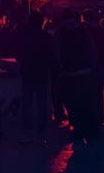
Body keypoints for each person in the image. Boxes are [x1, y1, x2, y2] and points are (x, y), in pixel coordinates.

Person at [55, 9, 98, 141]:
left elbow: (57, 54)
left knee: (74, 105)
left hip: (69, 74)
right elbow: (92, 50)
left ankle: (79, 131)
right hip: (85, 72)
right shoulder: (84, 32)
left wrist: (61, 68)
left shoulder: (61, 34)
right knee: (86, 102)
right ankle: (91, 131)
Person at [18, 11, 54, 142]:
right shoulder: (46, 37)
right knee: (42, 101)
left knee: (27, 101)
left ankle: (27, 126)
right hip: (42, 72)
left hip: (27, 72)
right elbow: (52, 55)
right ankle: (42, 126)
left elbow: (19, 53)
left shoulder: (24, 37)